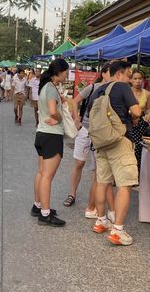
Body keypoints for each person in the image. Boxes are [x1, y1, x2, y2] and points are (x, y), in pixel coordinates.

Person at [89, 61, 142, 246]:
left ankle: (101, 220)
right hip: (120, 141)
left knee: (102, 183)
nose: (129, 79)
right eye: (128, 75)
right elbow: (137, 110)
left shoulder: (98, 91)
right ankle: (118, 230)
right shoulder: (121, 86)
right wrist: (132, 114)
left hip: (102, 143)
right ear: (119, 74)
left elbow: (90, 115)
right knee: (124, 186)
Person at [63, 62, 107, 212]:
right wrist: (77, 120)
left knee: (98, 169)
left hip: (101, 134)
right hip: (85, 130)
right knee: (79, 164)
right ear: (104, 73)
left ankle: (95, 201)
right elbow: (74, 102)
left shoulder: (113, 90)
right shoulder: (93, 88)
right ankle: (72, 194)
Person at [31, 59, 70, 227]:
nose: (67, 75)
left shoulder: (45, 86)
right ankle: (45, 214)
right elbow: (54, 112)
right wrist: (59, 118)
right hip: (51, 135)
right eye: (66, 72)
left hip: (41, 134)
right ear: (58, 72)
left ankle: (38, 206)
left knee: (41, 173)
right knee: (47, 176)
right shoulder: (51, 88)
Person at [129, 69, 150, 164]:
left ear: (143, 80)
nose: (138, 81)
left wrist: (149, 114)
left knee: (140, 149)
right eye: (135, 78)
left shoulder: (147, 94)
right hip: (129, 121)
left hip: (142, 124)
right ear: (131, 80)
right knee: (130, 148)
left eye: (140, 78)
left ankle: (138, 173)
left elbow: (148, 109)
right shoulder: (127, 92)